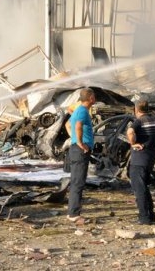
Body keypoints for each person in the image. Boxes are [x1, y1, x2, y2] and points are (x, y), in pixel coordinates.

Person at [126, 99, 155, 225]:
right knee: (144, 187)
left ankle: (144, 217)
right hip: (150, 159)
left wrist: (133, 143)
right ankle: (151, 215)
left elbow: (130, 132)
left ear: (136, 109)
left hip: (139, 160)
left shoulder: (139, 121)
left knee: (139, 189)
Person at [67, 88, 96, 222]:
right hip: (80, 150)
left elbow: (68, 125)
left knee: (77, 181)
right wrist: (79, 142)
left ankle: (73, 212)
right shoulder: (83, 111)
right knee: (78, 182)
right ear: (90, 98)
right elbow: (78, 125)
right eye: (94, 96)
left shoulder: (78, 110)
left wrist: (73, 138)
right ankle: (74, 215)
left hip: (76, 149)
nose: (95, 99)